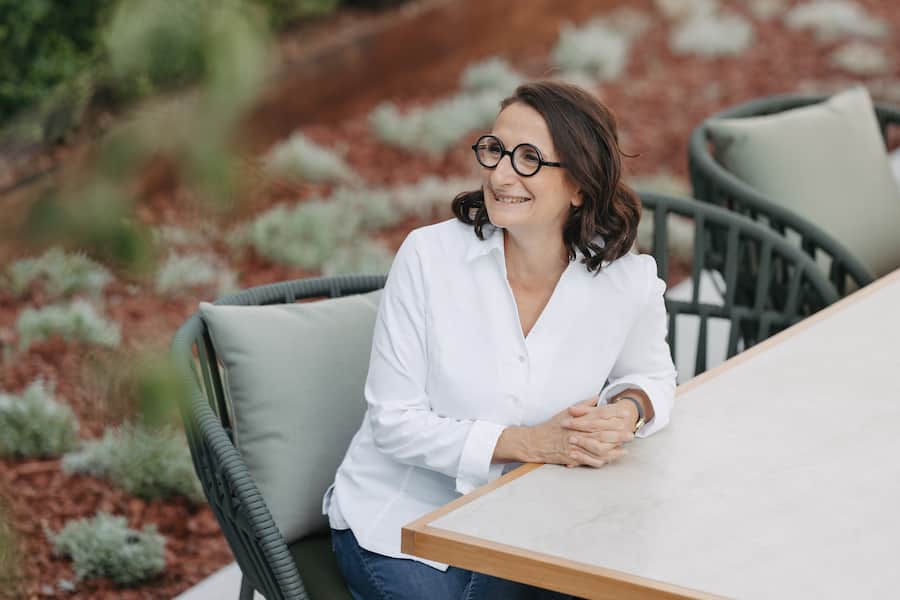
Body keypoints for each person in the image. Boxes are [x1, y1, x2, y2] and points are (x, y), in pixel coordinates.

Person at [323, 80, 677, 600]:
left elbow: (651, 377)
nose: (502, 174)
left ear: (579, 186)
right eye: (496, 151)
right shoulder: (428, 258)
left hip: (533, 522)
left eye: (530, 159)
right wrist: (533, 443)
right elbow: (393, 423)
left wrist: (627, 411)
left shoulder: (625, 281)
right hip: (402, 522)